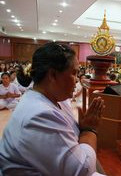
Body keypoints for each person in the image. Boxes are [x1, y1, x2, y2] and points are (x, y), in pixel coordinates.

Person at [0, 43, 105, 176]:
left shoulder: (52, 99)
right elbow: (83, 171)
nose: (77, 79)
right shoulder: (39, 114)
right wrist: (90, 130)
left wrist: (82, 128)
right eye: (74, 73)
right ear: (53, 75)